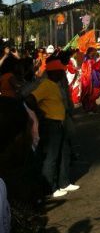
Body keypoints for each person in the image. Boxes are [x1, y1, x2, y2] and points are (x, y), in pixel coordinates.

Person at [26, 59, 79, 198]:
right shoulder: (46, 85)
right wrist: (41, 113)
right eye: (61, 70)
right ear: (54, 72)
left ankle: (64, 182)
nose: (63, 72)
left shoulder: (54, 84)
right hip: (51, 124)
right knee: (52, 156)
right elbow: (30, 100)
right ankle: (50, 187)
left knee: (64, 152)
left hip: (59, 122)